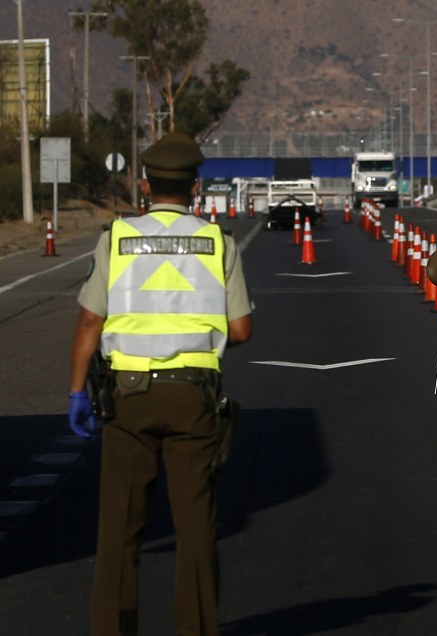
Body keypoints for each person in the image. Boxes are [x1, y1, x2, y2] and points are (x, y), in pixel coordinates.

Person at [68, 131, 253, 635]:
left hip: (128, 398)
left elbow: (89, 321)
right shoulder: (217, 242)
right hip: (194, 396)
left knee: (119, 530)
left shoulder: (116, 238)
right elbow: (241, 329)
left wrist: (77, 391)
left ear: (146, 185)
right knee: (196, 528)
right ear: (195, 187)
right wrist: (196, 335)